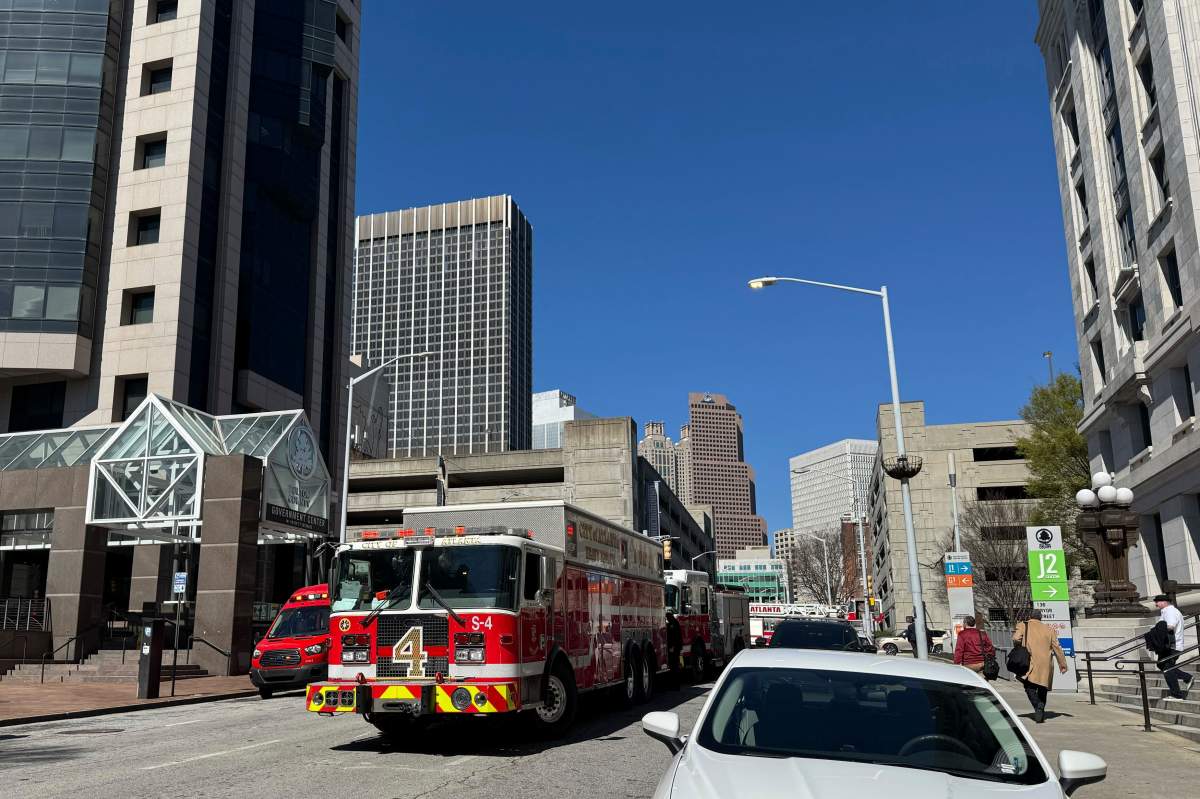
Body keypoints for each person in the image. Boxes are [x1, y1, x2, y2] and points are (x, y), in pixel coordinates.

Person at [1012, 610, 1067, 723]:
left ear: (1030, 617)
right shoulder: (1049, 629)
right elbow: (1057, 647)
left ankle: (1038, 706)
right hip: (1045, 663)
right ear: (1040, 618)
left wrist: (1021, 645)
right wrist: (1062, 664)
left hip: (1030, 661)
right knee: (1042, 687)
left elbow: (1016, 638)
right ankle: (1040, 707)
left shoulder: (1023, 625)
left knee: (1029, 687)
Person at [1154, 595, 1194, 699]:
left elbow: (1170, 626)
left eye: (1157, 602)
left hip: (1172, 646)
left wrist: (1155, 632)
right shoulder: (1167, 611)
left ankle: (1177, 694)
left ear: (1164, 602)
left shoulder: (1170, 612)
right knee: (1162, 665)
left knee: (1167, 669)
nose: (1155, 604)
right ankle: (1187, 677)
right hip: (1170, 646)